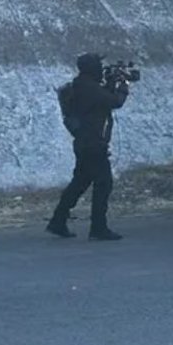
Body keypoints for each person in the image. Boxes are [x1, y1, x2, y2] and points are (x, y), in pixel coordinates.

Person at [46, 53, 130, 241]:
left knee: (80, 183)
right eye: (99, 65)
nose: (102, 68)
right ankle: (98, 228)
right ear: (92, 68)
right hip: (93, 144)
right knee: (103, 184)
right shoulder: (89, 88)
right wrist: (123, 86)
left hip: (84, 143)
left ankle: (58, 221)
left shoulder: (81, 86)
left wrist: (110, 84)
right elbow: (115, 101)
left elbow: (102, 100)